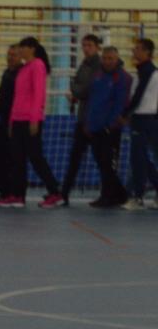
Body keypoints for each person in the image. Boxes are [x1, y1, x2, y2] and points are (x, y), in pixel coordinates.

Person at [2, 36, 63, 209]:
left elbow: (38, 94)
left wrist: (35, 118)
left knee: (36, 158)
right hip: (18, 119)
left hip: (30, 119)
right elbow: (17, 97)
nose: (20, 50)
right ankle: (18, 195)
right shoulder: (23, 68)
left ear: (32, 49)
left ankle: (55, 192)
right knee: (17, 159)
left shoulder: (37, 65)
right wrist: (11, 121)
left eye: (23, 47)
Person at [84, 46, 131, 209]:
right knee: (101, 163)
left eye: (110, 58)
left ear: (117, 59)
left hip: (110, 129)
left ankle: (109, 196)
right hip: (95, 127)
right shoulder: (98, 75)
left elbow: (120, 104)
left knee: (107, 164)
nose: (107, 61)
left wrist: (111, 125)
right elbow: (92, 101)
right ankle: (119, 194)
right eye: (105, 58)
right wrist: (88, 123)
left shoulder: (122, 77)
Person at [60, 34, 102, 204]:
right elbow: (78, 86)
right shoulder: (84, 65)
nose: (86, 48)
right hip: (82, 117)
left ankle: (110, 193)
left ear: (97, 47)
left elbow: (85, 89)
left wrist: (76, 91)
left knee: (102, 160)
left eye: (89, 45)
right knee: (75, 158)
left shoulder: (99, 66)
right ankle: (64, 193)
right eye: (84, 45)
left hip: (96, 120)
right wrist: (77, 93)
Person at [124, 38, 157, 209]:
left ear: (147, 52)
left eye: (137, 49)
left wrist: (125, 114)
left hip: (143, 118)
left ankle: (138, 197)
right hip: (148, 119)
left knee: (138, 158)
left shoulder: (147, 72)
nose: (134, 51)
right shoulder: (144, 71)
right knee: (143, 158)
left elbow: (138, 96)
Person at [0, 45, 21, 204]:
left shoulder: (22, 74)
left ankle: (12, 192)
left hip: (16, 121)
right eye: (9, 54)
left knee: (11, 158)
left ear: (20, 57)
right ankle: (2, 191)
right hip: (3, 120)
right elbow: (2, 97)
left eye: (13, 55)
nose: (10, 57)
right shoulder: (7, 73)